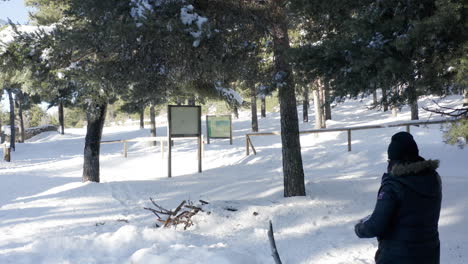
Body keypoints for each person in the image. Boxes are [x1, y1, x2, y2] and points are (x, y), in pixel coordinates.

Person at [354, 131, 442, 264]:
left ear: (395, 160)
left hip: (397, 256)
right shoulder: (433, 178)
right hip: (429, 255)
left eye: (389, 160)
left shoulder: (394, 184)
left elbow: (375, 225)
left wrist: (359, 227)